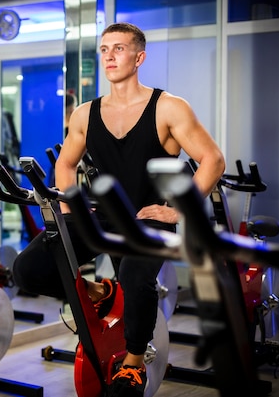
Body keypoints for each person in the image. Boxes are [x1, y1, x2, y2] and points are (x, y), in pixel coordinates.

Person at [13, 22, 225, 397]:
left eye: (119, 49)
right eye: (105, 49)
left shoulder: (169, 108)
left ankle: (133, 363)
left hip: (149, 221)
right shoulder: (84, 114)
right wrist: (71, 205)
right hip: (103, 218)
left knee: (135, 280)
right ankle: (98, 291)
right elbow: (65, 165)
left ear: (139, 57)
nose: (110, 56)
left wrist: (178, 212)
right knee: (28, 270)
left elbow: (212, 160)